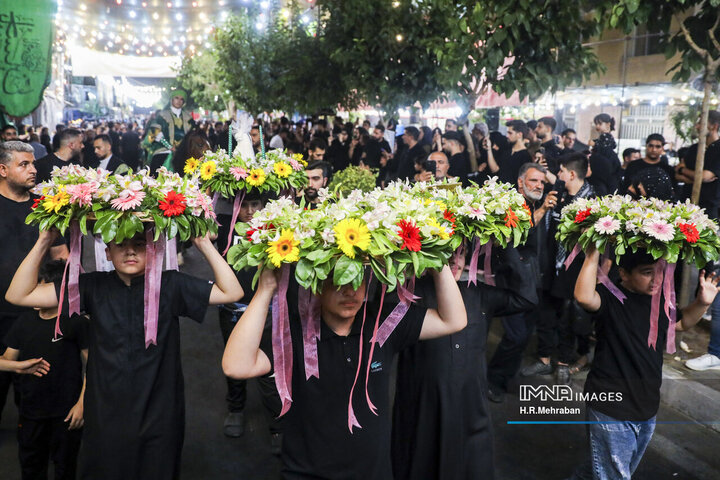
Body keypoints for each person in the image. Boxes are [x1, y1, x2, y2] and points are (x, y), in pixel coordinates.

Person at [5, 230, 243, 480]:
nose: (130, 250)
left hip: (159, 411)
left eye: (140, 244)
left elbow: (232, 293)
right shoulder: (92, 285)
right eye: (121, 244)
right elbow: (19, 295)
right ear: (107, 252)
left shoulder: (171, 284)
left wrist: (203, 244)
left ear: (153, 249)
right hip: (105, 411)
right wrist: (45, 241)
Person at [222, 262, 467, 479]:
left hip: (373, 473)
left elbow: (453, 320)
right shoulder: (294, 334)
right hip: (305, 473)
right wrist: (265, 291)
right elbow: (236, 365)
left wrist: (438, 262)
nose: (350, 292)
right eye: (338, 281)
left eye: (357, 281)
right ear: (316, 286)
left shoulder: (384, 322)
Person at [568, 248, 719, 479]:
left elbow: (680, 323)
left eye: (659, 272)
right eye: (647, 272)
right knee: (615, 474)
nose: (656, 279)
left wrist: (702, 302)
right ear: (624, 274)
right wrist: (593, 253)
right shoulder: (611, 296)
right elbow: (584, 297)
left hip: (646, 408)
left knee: (606, 468)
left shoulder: (659, 301)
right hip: (612, 406)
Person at [392, 245, 537, 480]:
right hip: (423, 407)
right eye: (445, 253)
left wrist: (506, 245)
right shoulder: (408, 294)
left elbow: (526, 298)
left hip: (470, 407)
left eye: (459, 254)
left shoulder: (479, 294)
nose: (453, 261)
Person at [0, 141, 67, 425]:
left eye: (33, 163)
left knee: (34, 392)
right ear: (3, 170)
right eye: (24, 164)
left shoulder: (44, 206)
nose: (33, 169)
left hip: (34, 315)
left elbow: (60, 255)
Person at [3, 260, 88, 480]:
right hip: (31, 411)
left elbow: (95, 365)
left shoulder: (75, 322)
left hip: (66, 413)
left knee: (64, 467)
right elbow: (5, 360)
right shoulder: (23, 322)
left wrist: (82, 404)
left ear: (56, 290)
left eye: (38, 286)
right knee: (31, 467)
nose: (30, 292)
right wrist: (18, 366)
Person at [521, 153, 595, 384]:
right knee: (546, 313)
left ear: (571, 174)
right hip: (551, 265)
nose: (558, 176)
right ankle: (544, 359)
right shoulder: (559, 195)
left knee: (569, 316)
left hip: (575, 268)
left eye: (561, 171)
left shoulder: (591, 202)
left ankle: (563, 361)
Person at [487, 162, 557, 402]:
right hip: (511, 280)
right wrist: (542, 211)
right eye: (533, 181)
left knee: (524, 335)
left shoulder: (534, 203)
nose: (539, 185)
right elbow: (517, 231)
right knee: (516, 335)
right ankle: (492, 380)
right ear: (520, 183)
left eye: (541, 182)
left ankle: (505, 378)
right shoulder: (510, 203)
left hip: (532, 280)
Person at [486, 120, 532, 187]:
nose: (507, 136)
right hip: (500, 191)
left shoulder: (526, 156)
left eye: (510, 133)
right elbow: (495, 169)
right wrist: (489, 149)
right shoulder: (506, 151)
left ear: (519, 134)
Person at [587, 114, 621, 196]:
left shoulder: (605, 137)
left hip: (606, 164)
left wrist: (594, 144)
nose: (597, 126)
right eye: (596, 124)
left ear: (608, 124)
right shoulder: (604, 137)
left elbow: (605, 149)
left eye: (600, 124)